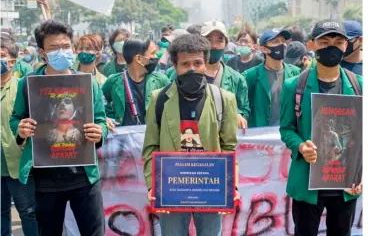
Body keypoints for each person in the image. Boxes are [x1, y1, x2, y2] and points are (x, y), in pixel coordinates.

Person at [9, 19, 108, 236]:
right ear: (43, 53)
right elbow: (16, 119)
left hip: (84, 175)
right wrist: (21, 129)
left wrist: (100, 131)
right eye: (54, 48)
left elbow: (101, 119)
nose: (61, 52)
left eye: (65, 46)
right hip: (45, 178)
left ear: (72, 48)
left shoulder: (88, 83)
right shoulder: (28, 83)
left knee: (94, 232)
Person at [142, 34, 239, 236]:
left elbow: (229, 147)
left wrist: (231, 186)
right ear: (175, 67)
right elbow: (151, 146)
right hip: (171, 188)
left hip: (211, 188)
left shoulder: (224, 99)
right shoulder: (158, 99)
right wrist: (154, 186)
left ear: (206, 64)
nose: (192, 68)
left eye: (198, 62)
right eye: (185, 64)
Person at [279, 20, 362, 236]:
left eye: (338, 41)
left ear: (346, 45)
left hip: (346, 185)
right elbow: (286, 128)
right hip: (308, 183)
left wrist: (362, 174)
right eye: (324, 42)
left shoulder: (359, 85)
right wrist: (300, 147)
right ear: (311, 44)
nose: (331, 47)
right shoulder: (294, 86)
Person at [1, 40, 38, 236]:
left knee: (28, 213)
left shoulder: (23, 88)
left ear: (13, 61)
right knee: (1, 214)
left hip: (19, 163)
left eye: (1, 55)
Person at [102, 38, 170, 127]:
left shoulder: (161, 80)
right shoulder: (113, 81)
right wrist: (107, 118)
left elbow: (173, 103)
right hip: (123, 138)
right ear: (138, 58)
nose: (156, 57)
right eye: (153, 53)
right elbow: (100, 101)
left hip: (152, 137)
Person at [244, 29, 301, 127]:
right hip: (261, 135)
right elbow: (242, 105)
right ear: (264, 49)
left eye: (283, 41)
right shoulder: (251, 75)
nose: (282, 45)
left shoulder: (296, 73)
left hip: (287, 134)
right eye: (275, 42)